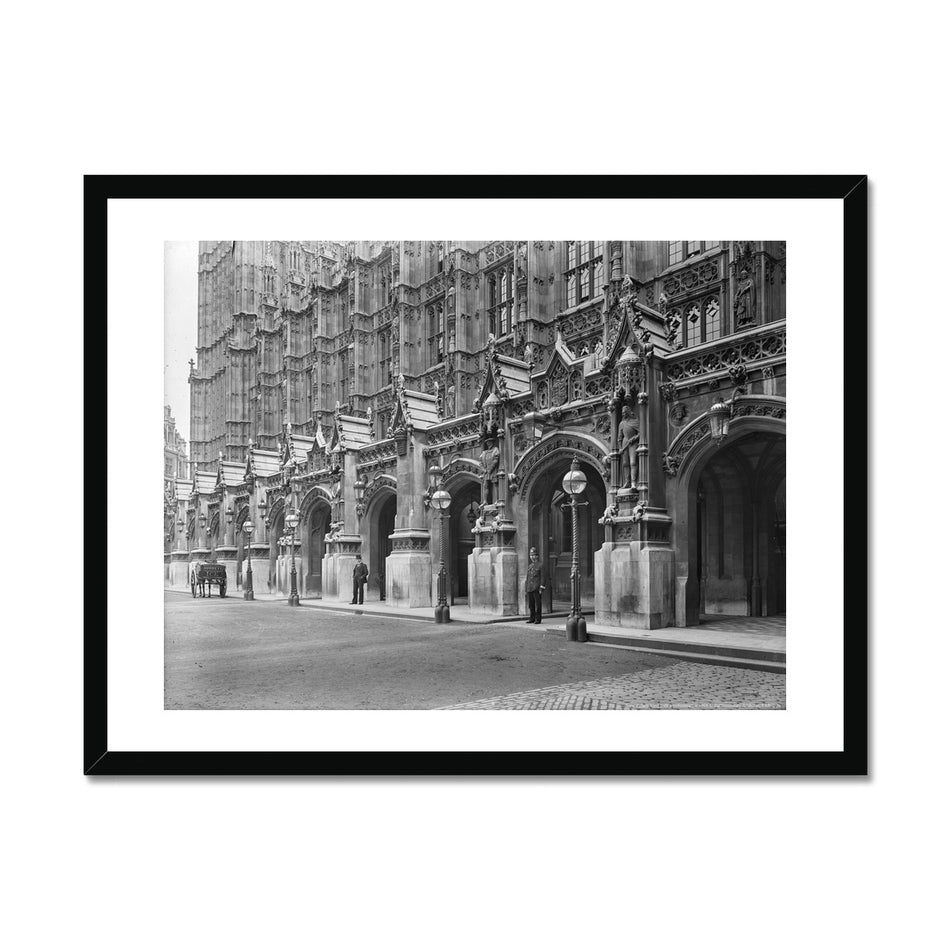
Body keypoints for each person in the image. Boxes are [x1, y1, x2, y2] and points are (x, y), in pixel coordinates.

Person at [524, 547, 545, 624]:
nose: (532, 557)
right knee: (531, 604)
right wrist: (527, 588)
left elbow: (543, 577)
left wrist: (542, 587)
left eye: (534, 555)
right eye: (531, 555)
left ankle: (538, 619)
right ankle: (532, 618)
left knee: (538, 605)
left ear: (537, 556)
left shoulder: (540, 565)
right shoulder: (530, 566)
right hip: (530, 587)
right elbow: (528, 578)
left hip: (536, 588)